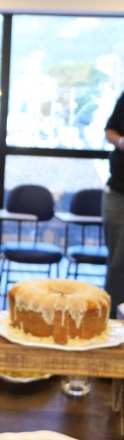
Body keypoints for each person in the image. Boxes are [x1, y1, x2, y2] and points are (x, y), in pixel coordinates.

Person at [103, 91, 124, 317]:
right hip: (119, 191)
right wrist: (120, 141)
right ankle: (110, 322)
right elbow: (109, 130)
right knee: (117, 263)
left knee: (120, 263)